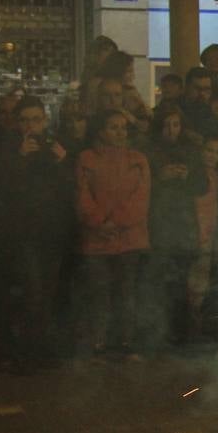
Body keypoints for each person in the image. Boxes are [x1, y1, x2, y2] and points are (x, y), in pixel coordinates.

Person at [0, 96, 73, 367]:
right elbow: (3, 189)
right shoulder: (9, 148)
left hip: (51, 233)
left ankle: (41, 349)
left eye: (36, 120)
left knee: (47, 294)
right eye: (25, 120)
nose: (31, 126)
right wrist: (20, 158)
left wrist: (63, 162)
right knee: (31, 291)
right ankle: (26, 351)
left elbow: (68, 191)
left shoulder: (54, 148)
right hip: (24, 234)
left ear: (45, 120)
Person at [76, 109, 151, 356]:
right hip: (97, 240)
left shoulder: (137, 159)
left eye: (122, 127)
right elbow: (82, 195)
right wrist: (100, 222)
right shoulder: (87, 159)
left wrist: (115, 222)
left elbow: (141, 198)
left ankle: (124, 342)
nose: (119, 132)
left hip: (129, 239)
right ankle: (98, 341)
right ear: (101, 131)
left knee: (126, 293)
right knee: (99, 293)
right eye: (113, 127)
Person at [141, 104, 206, 349]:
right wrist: (160, 177)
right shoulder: (149, 150)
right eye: (167, 125)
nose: (172, 130)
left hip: (183, 227)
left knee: (181, 284)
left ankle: (181, 335)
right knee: (158, 283)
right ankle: (158, 335)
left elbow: (202, 184)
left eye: (176, 125)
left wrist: (187, 175)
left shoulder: (189, 151)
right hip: (159, 226)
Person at [189, 135, 218, 341]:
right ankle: (191, 332)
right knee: (194, 286)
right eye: (210, 150)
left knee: (201, 285)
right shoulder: (196, 175)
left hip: (208, 235)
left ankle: (196, 331)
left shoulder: (214, 175)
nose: (213, 156)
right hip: (196, 236)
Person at [181, 66, 218, 139]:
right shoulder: (174, 111)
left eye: (207, 89)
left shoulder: (216, 119)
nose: (202, 93)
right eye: (197, 88)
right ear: (187, 88)